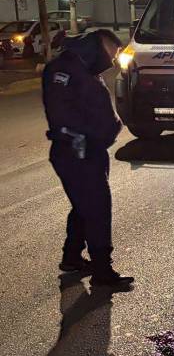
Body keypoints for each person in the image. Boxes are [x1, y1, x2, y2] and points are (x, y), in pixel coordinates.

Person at [42, 30, 134, 287]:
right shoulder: (63, 71)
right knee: (97, 208)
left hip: (90, 150)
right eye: (112, 53)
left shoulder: (85, 69)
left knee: (85, 206)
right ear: (98, 46)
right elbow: (62, 114)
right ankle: (103, 270)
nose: (113, 60)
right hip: (76, 151)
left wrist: (108, 130)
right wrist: (86, 136)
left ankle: (71, 257)